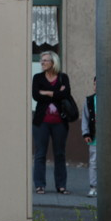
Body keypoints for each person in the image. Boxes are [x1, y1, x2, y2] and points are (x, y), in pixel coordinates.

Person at [32, 50, 74, 195]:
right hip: (41, 123)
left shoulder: (63, 78)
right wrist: (55, 93)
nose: (42, 62)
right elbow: (36, 95)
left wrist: (47, 92)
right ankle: (39, 185)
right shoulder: (37, 78)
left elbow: (65, 93)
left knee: (60, 154)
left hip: (59, 123)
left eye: (45, 60)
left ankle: (61, 186)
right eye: (41, 60)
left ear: (53, 62)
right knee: (40, 154)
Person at [82, 77, 97, 197]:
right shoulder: (90, 100)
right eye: (94, 84)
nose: (96, 87)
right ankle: (93, 186)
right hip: (94, 138)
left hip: (109, 140)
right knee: (94, 163)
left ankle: (107, 186)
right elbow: (85, 118)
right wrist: (86, 133)